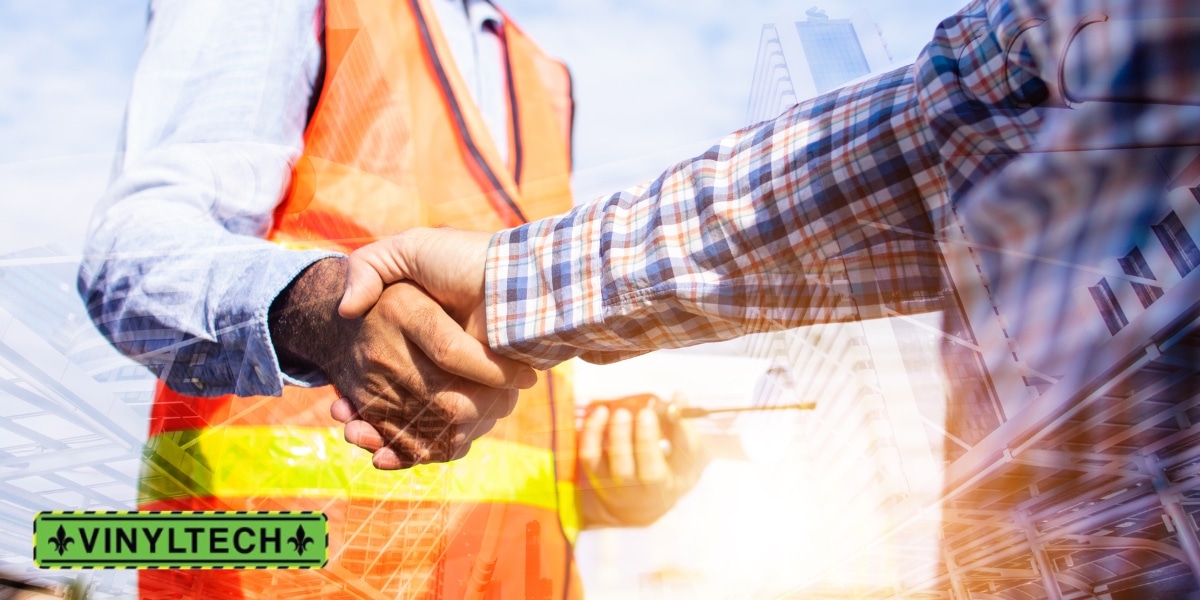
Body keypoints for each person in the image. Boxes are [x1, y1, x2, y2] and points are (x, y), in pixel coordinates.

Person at [330, 0, 1200, 595]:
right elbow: (965, 128)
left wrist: (518, 298)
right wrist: (598, 482)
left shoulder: (538, 79)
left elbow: (957, 130)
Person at [77, 0, 705, 597]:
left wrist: (602, 479)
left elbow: (500, 441)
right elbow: (129, 256)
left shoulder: (542, 77)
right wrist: (324, 312)